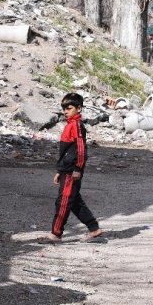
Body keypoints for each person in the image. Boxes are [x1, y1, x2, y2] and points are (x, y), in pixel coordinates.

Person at [39, 93, 102, 244]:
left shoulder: (77, 126)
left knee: (63, 202)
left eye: (69, 108)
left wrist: (78, 168)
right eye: (64, 109)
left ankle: (56, 234)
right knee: (73, 201)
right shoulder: (70, 125)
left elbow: (80, 149)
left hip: (72, 171)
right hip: (66, 170)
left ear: (79, 108)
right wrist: (59, 171)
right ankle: (94, 228)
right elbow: (66, 152)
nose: (66, 111)